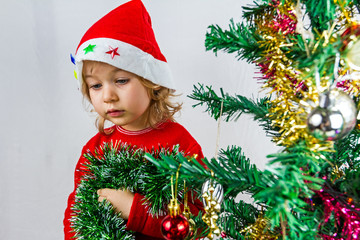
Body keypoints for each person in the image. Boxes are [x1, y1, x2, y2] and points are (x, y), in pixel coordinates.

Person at [63, 0, 205, 239]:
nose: (108, 96)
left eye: (121, 80)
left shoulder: (180, 145)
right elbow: (76, 213)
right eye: (95, 86)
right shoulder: (95, 149)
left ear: (152, 81)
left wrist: (134, 210)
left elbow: (199, 221)